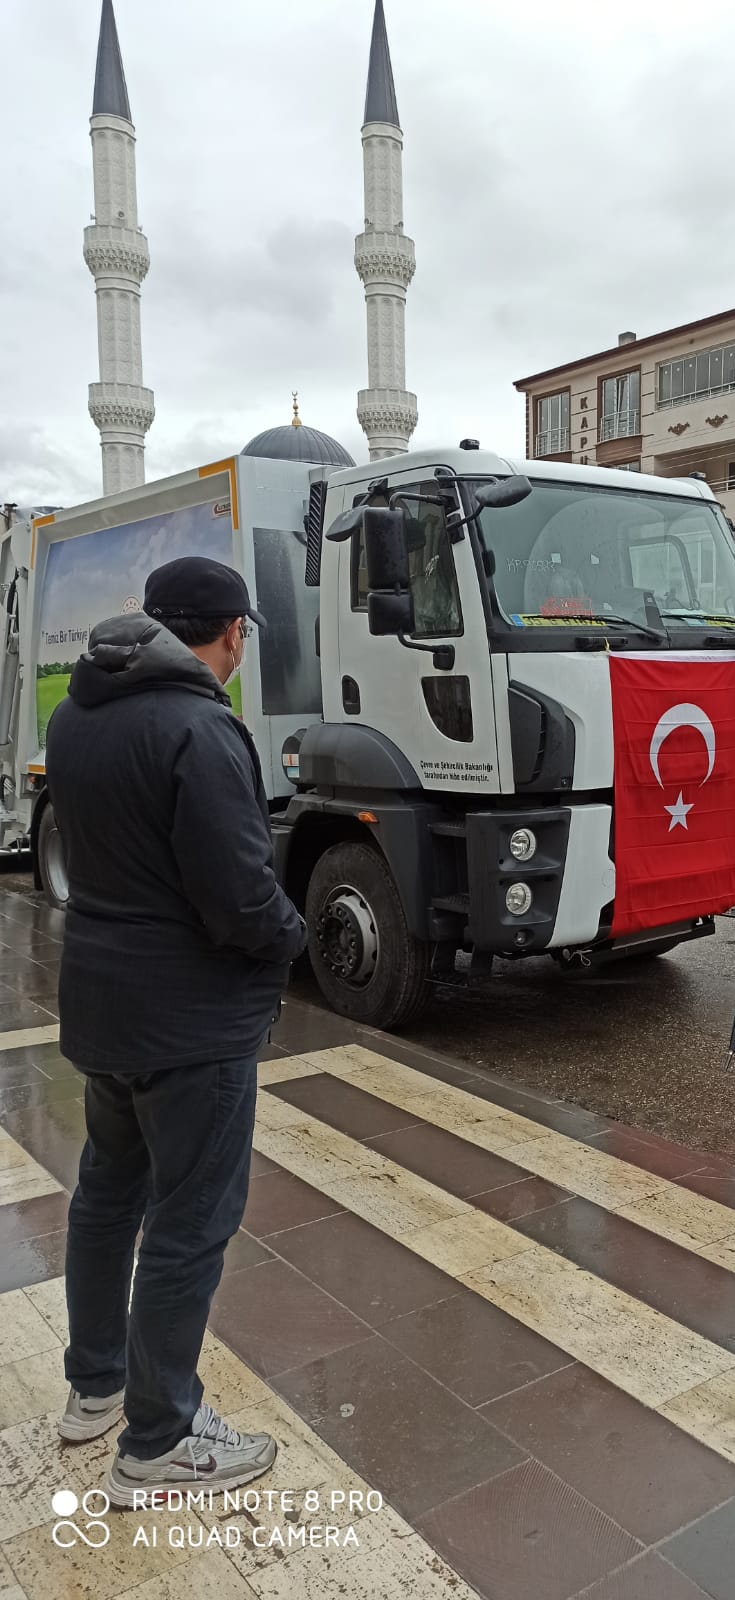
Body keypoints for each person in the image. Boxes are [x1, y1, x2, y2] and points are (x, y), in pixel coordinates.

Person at [46, 556, 307, 1506]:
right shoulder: (200, 725)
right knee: (189, 1225)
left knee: (106, 1199)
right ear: (232, 632)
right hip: (190, 1021)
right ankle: (157, 1441)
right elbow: (237, 893)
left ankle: (94, 1388)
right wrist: (294, 938)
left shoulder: (74, 716)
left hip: (102, 1005)